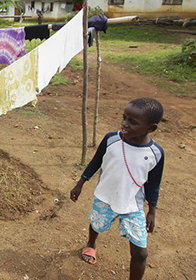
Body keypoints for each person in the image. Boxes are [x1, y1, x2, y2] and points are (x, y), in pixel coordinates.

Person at [70, 98, 165, 280]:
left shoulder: (156, 153)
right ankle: (91, 243)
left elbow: (154, 184)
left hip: (132, 205)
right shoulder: (111, 139)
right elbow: (96, 162)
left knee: (141, 254)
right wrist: (80, 183)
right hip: (105, 197)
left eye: (132, 121)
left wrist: (152, 211)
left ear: (151, 128)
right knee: (96, 223)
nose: (124, 124)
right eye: (124, 118)